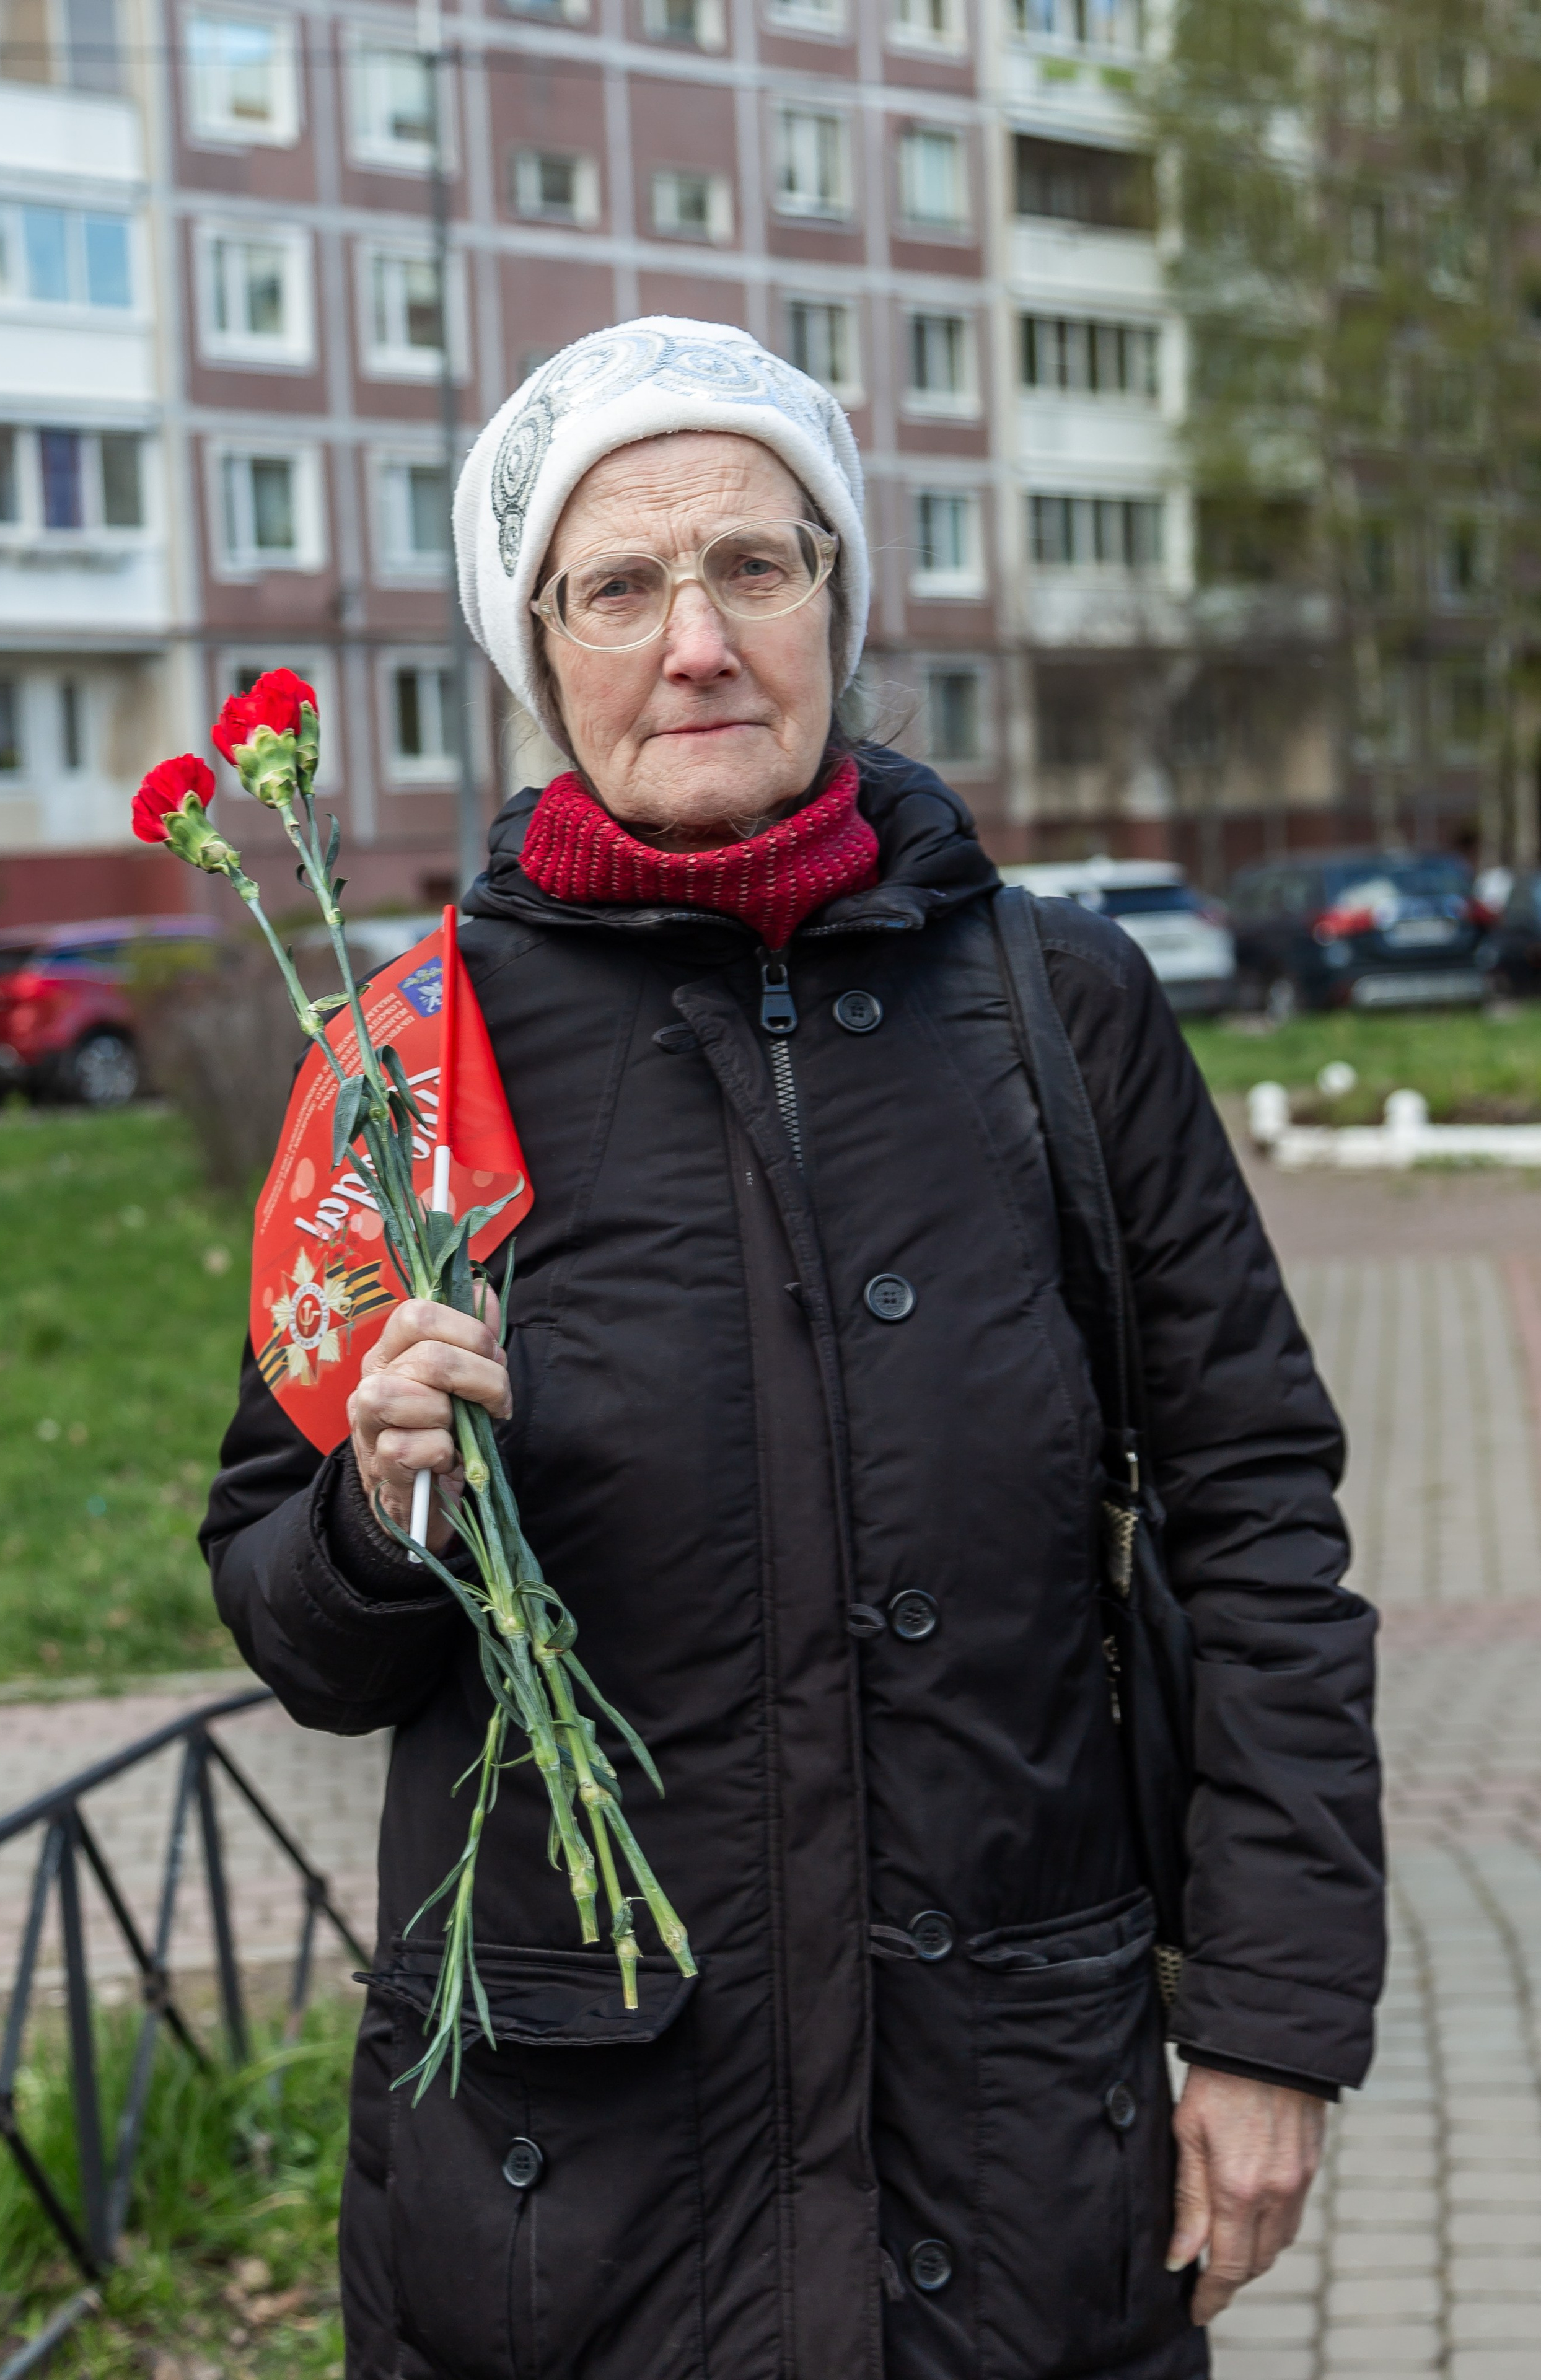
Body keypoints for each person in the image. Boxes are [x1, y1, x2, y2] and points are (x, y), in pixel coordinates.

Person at [202, 317, 1384, 2380]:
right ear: (538, 652)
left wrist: (1274, 2026)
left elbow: (1260, 1518)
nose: (698, 643)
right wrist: (384, 1505)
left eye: (754, 562)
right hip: (572, 2216)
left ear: (836, 596)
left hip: (1018, 2163)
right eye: (620, 585)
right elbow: (293, 1624)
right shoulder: (407, 1059)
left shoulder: (1060, 1009)